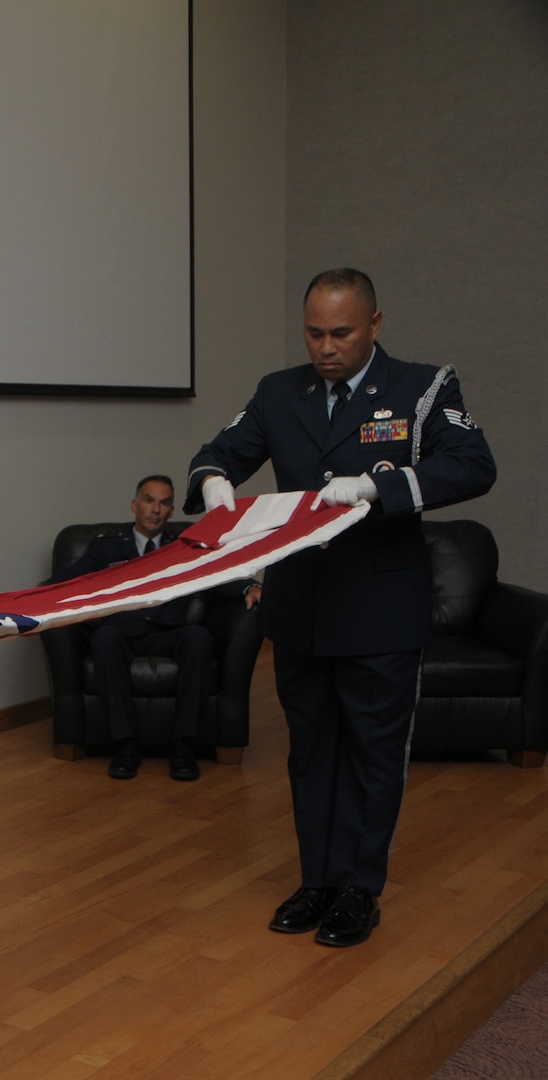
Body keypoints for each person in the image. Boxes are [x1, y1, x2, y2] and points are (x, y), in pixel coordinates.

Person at [185, 268, 494, 947]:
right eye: (315, 333)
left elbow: (473, 463)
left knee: (372, 755)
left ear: (375, 324)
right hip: (301, 607)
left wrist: (381, 486)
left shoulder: (423, 387)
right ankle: (316, 880)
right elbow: (222, 450)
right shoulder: (278, 391)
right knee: (312, 752)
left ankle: (359, 888)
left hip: (380, 607)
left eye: (342, 333)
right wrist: (212, 483)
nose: (326, 347)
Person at [52, 475, 261, 781]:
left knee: (199, 638)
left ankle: (184, 745)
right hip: (122, 632)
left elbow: (218, 574)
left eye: (164, 503)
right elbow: (70, 582)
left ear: (171, 511)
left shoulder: (184, 548)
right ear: (135, 506)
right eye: (149, 501)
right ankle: (125, 745)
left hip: (169, 631)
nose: (156, 509)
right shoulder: (106, 549)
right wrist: (36, 601)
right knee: (104, 638)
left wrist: (249, 588)